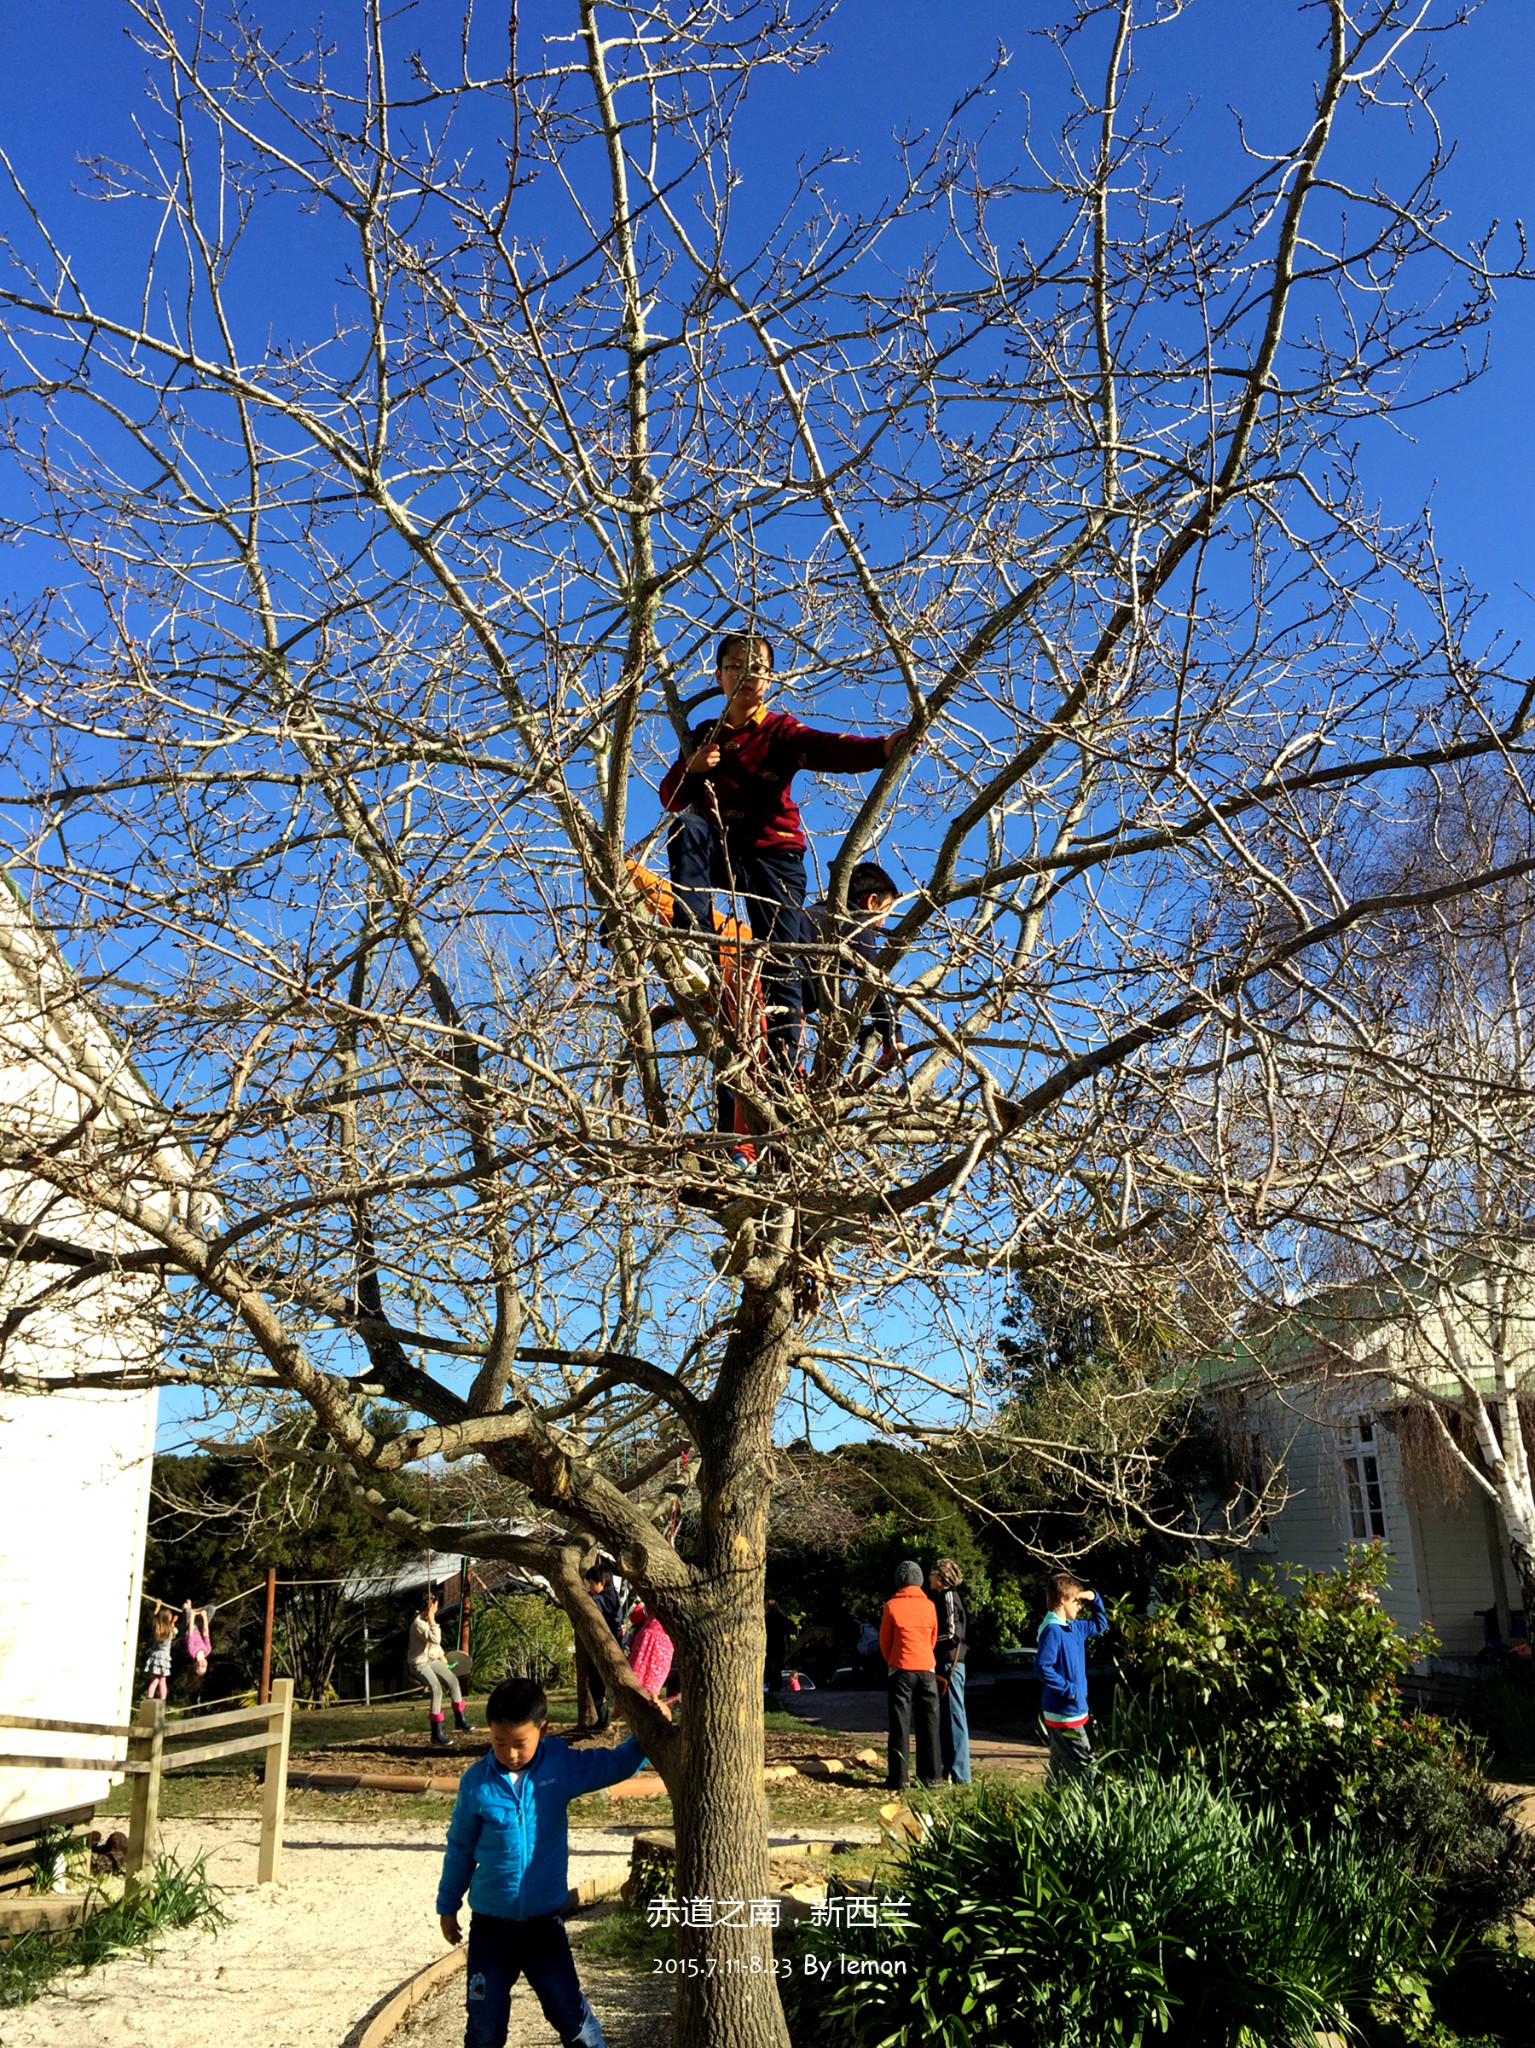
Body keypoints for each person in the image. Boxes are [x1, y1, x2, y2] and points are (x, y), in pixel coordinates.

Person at [659, 632, 911, 1160]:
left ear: (770, 677)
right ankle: (695, 937)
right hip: (726, 849)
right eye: (735, 666)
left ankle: (782, 1061)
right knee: (687, 828)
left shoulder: (778, 730)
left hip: (775, 855)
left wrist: (885, 748)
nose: (747, 674)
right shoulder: (706, 733)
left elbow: (829, 749)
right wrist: (694, 766)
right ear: (719, 675)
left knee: (781, 960)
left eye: (758, 667)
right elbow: (671, 796)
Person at [437, 1675, 663, 2048]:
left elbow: (613, 1765)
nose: (509, 1753)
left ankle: (590, 2039)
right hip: (491, 1929)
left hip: (544, 1925)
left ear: (543, 1729)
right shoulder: (476, 1784)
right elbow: (459, 1847)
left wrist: (648, 1730)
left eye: (520, 1744)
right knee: (484, 2027)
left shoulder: (559, 1766)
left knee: (565, 2011)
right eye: (499, 1742)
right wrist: (448, 1905)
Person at [804, 860, 907, 1083]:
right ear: (871, 902)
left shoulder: (811, 915)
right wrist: (893, 1037)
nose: (883, 922)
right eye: (886, 911)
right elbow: (873, 984)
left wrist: (859, 1030)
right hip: (783, 996)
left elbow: (828, 986)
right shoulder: (855, 923)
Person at [1035, 1572, 1108, 1784]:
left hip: (1073, 1709)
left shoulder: (1075, 1628)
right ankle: (1093, 1804)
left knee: (1059, 1768)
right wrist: (1069, 1690)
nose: (1080, 1606)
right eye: (1076, 1600)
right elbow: (1042, 1667)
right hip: (1063, 1712)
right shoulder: (1052, 1631)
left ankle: (1053, 1804)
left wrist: (1093, 1597)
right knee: (1087, 1766)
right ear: (1062, 1599)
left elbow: (1100, 1624)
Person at [879, 1559, 941, 1792]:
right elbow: (932, 1639)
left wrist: (894, 1660)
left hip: (901, 1669)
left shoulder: (891, 1606)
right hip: (926, 1668)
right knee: (930, 1723)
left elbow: (885, 1642)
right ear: (920, 1581)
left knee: (900, 1726)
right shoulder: (929, 1606)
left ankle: (899, 1777)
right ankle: (932, 1776)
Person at [409, 1592, 474, 1749]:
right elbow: (435, 1638)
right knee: (436, 1688)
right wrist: (432, 1620)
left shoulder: (427, 1622)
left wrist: (441, 1656)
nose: (437, 1608)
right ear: (429, 1607)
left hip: (431, 1660)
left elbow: (435, 1646)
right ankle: (436, 1733)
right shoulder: (419, 1624)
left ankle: (460, 1719)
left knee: (452, 1680)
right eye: (435, 1605)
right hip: (419, 1664)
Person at [929, 1559, 971, 1785]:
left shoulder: (947, 1597)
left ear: (942, 1577)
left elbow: (954, 1634)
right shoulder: (942, 1598)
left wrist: (929, 1643)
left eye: (933, 1573)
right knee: (946, 1717)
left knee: (954, 1716)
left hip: (950, 1664)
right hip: (947, 1664)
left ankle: (961, 1774)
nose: (929, 1578)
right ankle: (951, 1769)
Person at [582, 1566, 625, 1731]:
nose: (590, 1588)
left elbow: (592, 1603)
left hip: (609, 1649)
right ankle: (604, 1720)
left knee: (598, 1683)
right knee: (596, 1682)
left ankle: (605, 1721)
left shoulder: (607, 1597)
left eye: (591, 1584)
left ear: (602, 1582)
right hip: (610, 1647)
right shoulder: (611, 1595)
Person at [625, 1602, 675, 1703]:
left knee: (639, 1679)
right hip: (665, 1643)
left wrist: (640, 1604)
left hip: (651, 1642)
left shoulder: (654, 1603)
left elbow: (636, 1617)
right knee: (653, 1684)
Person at [143, 1601, 176, 1701]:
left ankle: (149, 1698)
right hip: (164, 1658)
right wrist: (173, 1622)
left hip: (155, 1656)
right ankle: (163, 1699)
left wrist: (157, 1607)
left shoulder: (157, 1629)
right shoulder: (171, 1631)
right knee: (162, 1680)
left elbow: (154, 1619)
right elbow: (174, 1630)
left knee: (155, 1679)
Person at [764, 1598, 794, 1695]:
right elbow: (788, 1630)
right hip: (780, 1644)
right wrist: (789, 1645)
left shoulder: (766, 1618)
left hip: (770, 1644)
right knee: (778, 1667)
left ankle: (771, 1683)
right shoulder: (781, 1617)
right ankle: (777, 1685)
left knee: (769, 1665)